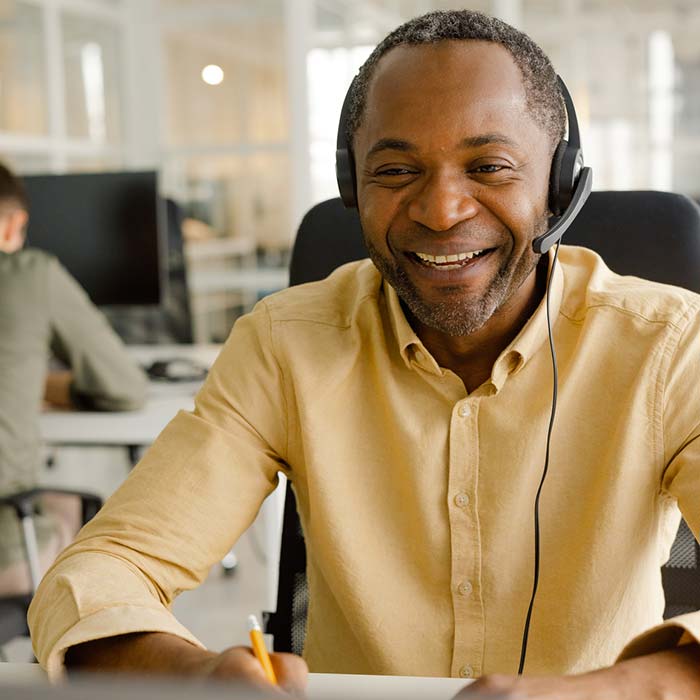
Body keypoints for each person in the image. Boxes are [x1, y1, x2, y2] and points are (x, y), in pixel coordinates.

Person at [29, 10, 700, 698]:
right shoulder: (284, 345)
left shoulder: (670, 344)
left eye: (489, 165)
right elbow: (103, 571)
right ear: (354, 187)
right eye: (396, 169)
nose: (440, 210)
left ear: (560, 183)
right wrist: (195, 674)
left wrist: (612, 690)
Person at [0, 162, 148, 594]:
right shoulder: (30, 274)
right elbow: (124, 388)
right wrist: (46, 386)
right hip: (6, 550)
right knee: (76, 513)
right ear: (15, 224)